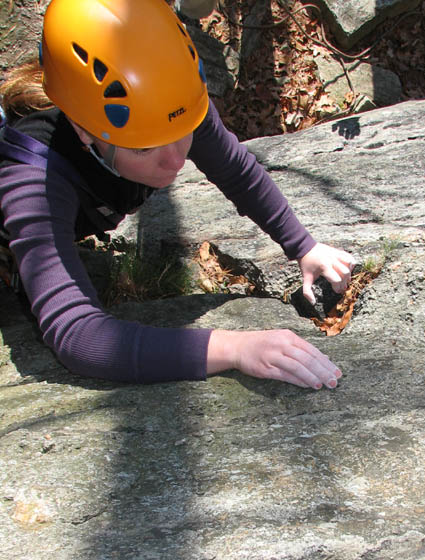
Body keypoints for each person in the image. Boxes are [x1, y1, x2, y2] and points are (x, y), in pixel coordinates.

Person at [0, 0, 355, 390]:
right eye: (143, 148)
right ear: (85, 132)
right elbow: (79, 337)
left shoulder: (166, 102)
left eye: (181, 134)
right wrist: (234, 349)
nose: (175, 161)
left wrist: (304, 246)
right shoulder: (35, 179)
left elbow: (236, 170)